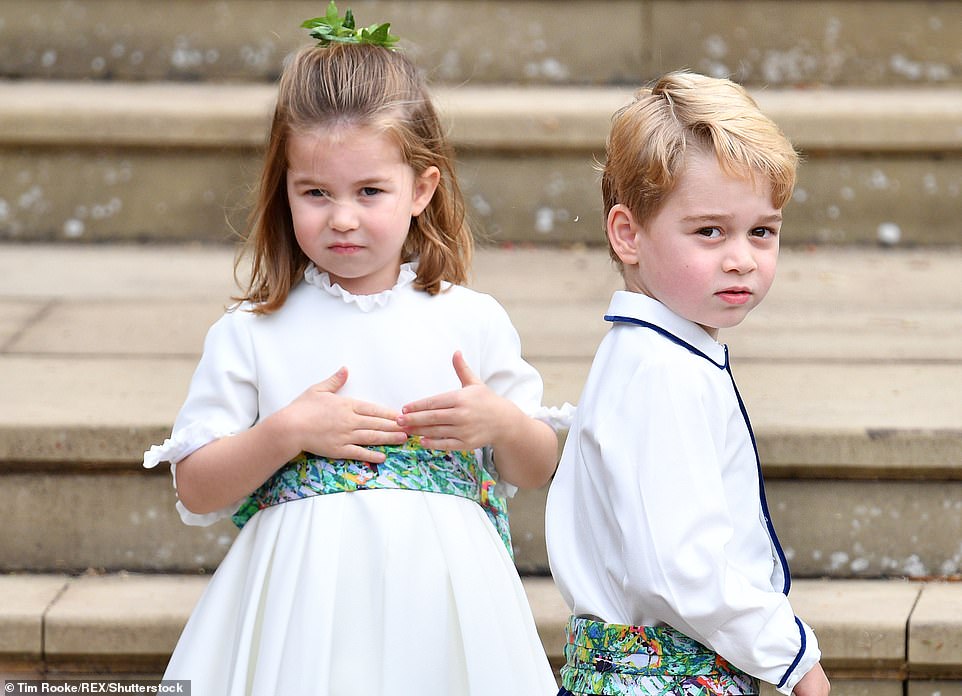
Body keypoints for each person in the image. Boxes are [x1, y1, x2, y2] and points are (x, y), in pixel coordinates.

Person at [143, 6, 559, 693]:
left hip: (444, 610)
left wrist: (503, 424)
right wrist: (285, 432)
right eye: (315, 192)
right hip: (301, 617)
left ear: (422, 188)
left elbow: (538, 466)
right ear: (284, 189)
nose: (341, 216)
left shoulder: (469, 318)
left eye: (370, 191)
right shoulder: (254, 332)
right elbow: (196, 486)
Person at [544, 71, 831, 696]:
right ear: (629, 235)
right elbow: (681, 567)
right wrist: (794, 658)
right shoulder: (663, 371)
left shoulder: (654, 355)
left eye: (762, 230)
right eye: (710, 231)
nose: (741, 258)